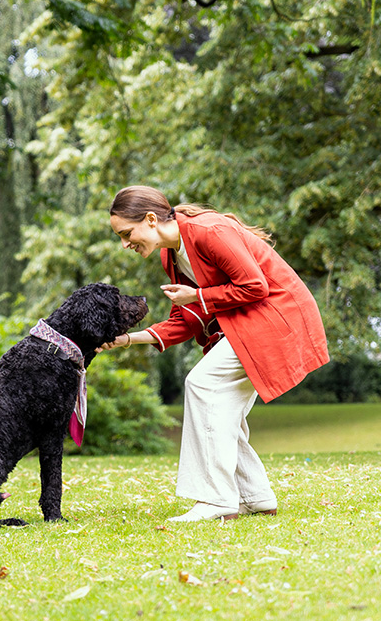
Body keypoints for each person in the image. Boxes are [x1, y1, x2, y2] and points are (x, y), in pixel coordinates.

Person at [102, 185, 329, 522]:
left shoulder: (209, 231)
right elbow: (188, 318)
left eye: (126, 233)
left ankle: (215, 500)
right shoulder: (171, 254)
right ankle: (255, 496)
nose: (125, 244)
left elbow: (255, 286)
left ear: (151, 219)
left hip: (276, 317)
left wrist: (199, 297)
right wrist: (129, 339)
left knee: (203, 386)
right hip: (250, 323)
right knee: (220, 408)